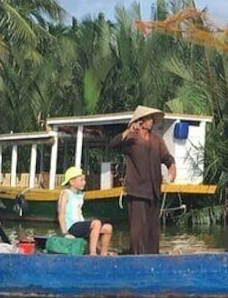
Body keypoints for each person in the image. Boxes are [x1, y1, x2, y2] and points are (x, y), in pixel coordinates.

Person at [110, 106, 177, 255]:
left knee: (153, 229)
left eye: (152, 119)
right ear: (140, 121)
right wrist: (128, 131)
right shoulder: (130, 139)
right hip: (137, 189)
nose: (151, 121)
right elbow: (113, 144)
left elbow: (167, 158)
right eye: (148, 119)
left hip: (153, 189)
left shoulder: (156, 140)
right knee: (138, 228)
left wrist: (172, 167)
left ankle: (153, 255)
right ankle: (137, 255)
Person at [58, 166, 114, 255]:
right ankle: (92, 253)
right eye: (81, 180)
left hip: (81, 225)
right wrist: (65, 233)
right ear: (72, 182)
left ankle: (104, 254)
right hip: (72, 227)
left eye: (84, 180)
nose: (84, 182)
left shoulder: (81, 195)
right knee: (96, 223)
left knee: (108, 228)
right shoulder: (66, 193)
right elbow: (61, 214)